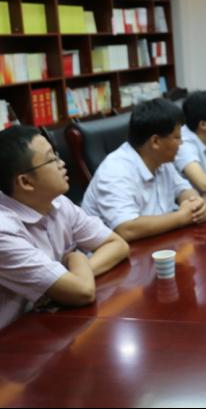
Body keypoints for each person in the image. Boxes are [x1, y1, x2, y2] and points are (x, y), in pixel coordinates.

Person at [0, 126, 129, 330]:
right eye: (51, 159)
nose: (62, 164)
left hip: (50, 322)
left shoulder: (57, 202)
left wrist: (75, 276)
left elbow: (117, 244)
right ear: (25, 182)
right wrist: (76, 259)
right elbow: (82, 292)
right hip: (13, 337)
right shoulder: (3, 231)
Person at [82, 99, 206, 242]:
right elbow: (127, 228)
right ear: (155, 142)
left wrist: (195, 204)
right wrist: (182, 217)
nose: (181, 143)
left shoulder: (161, 159)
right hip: (120, 252)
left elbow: (183, 190)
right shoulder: (115, 170)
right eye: (177, 137)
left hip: (157, 242)